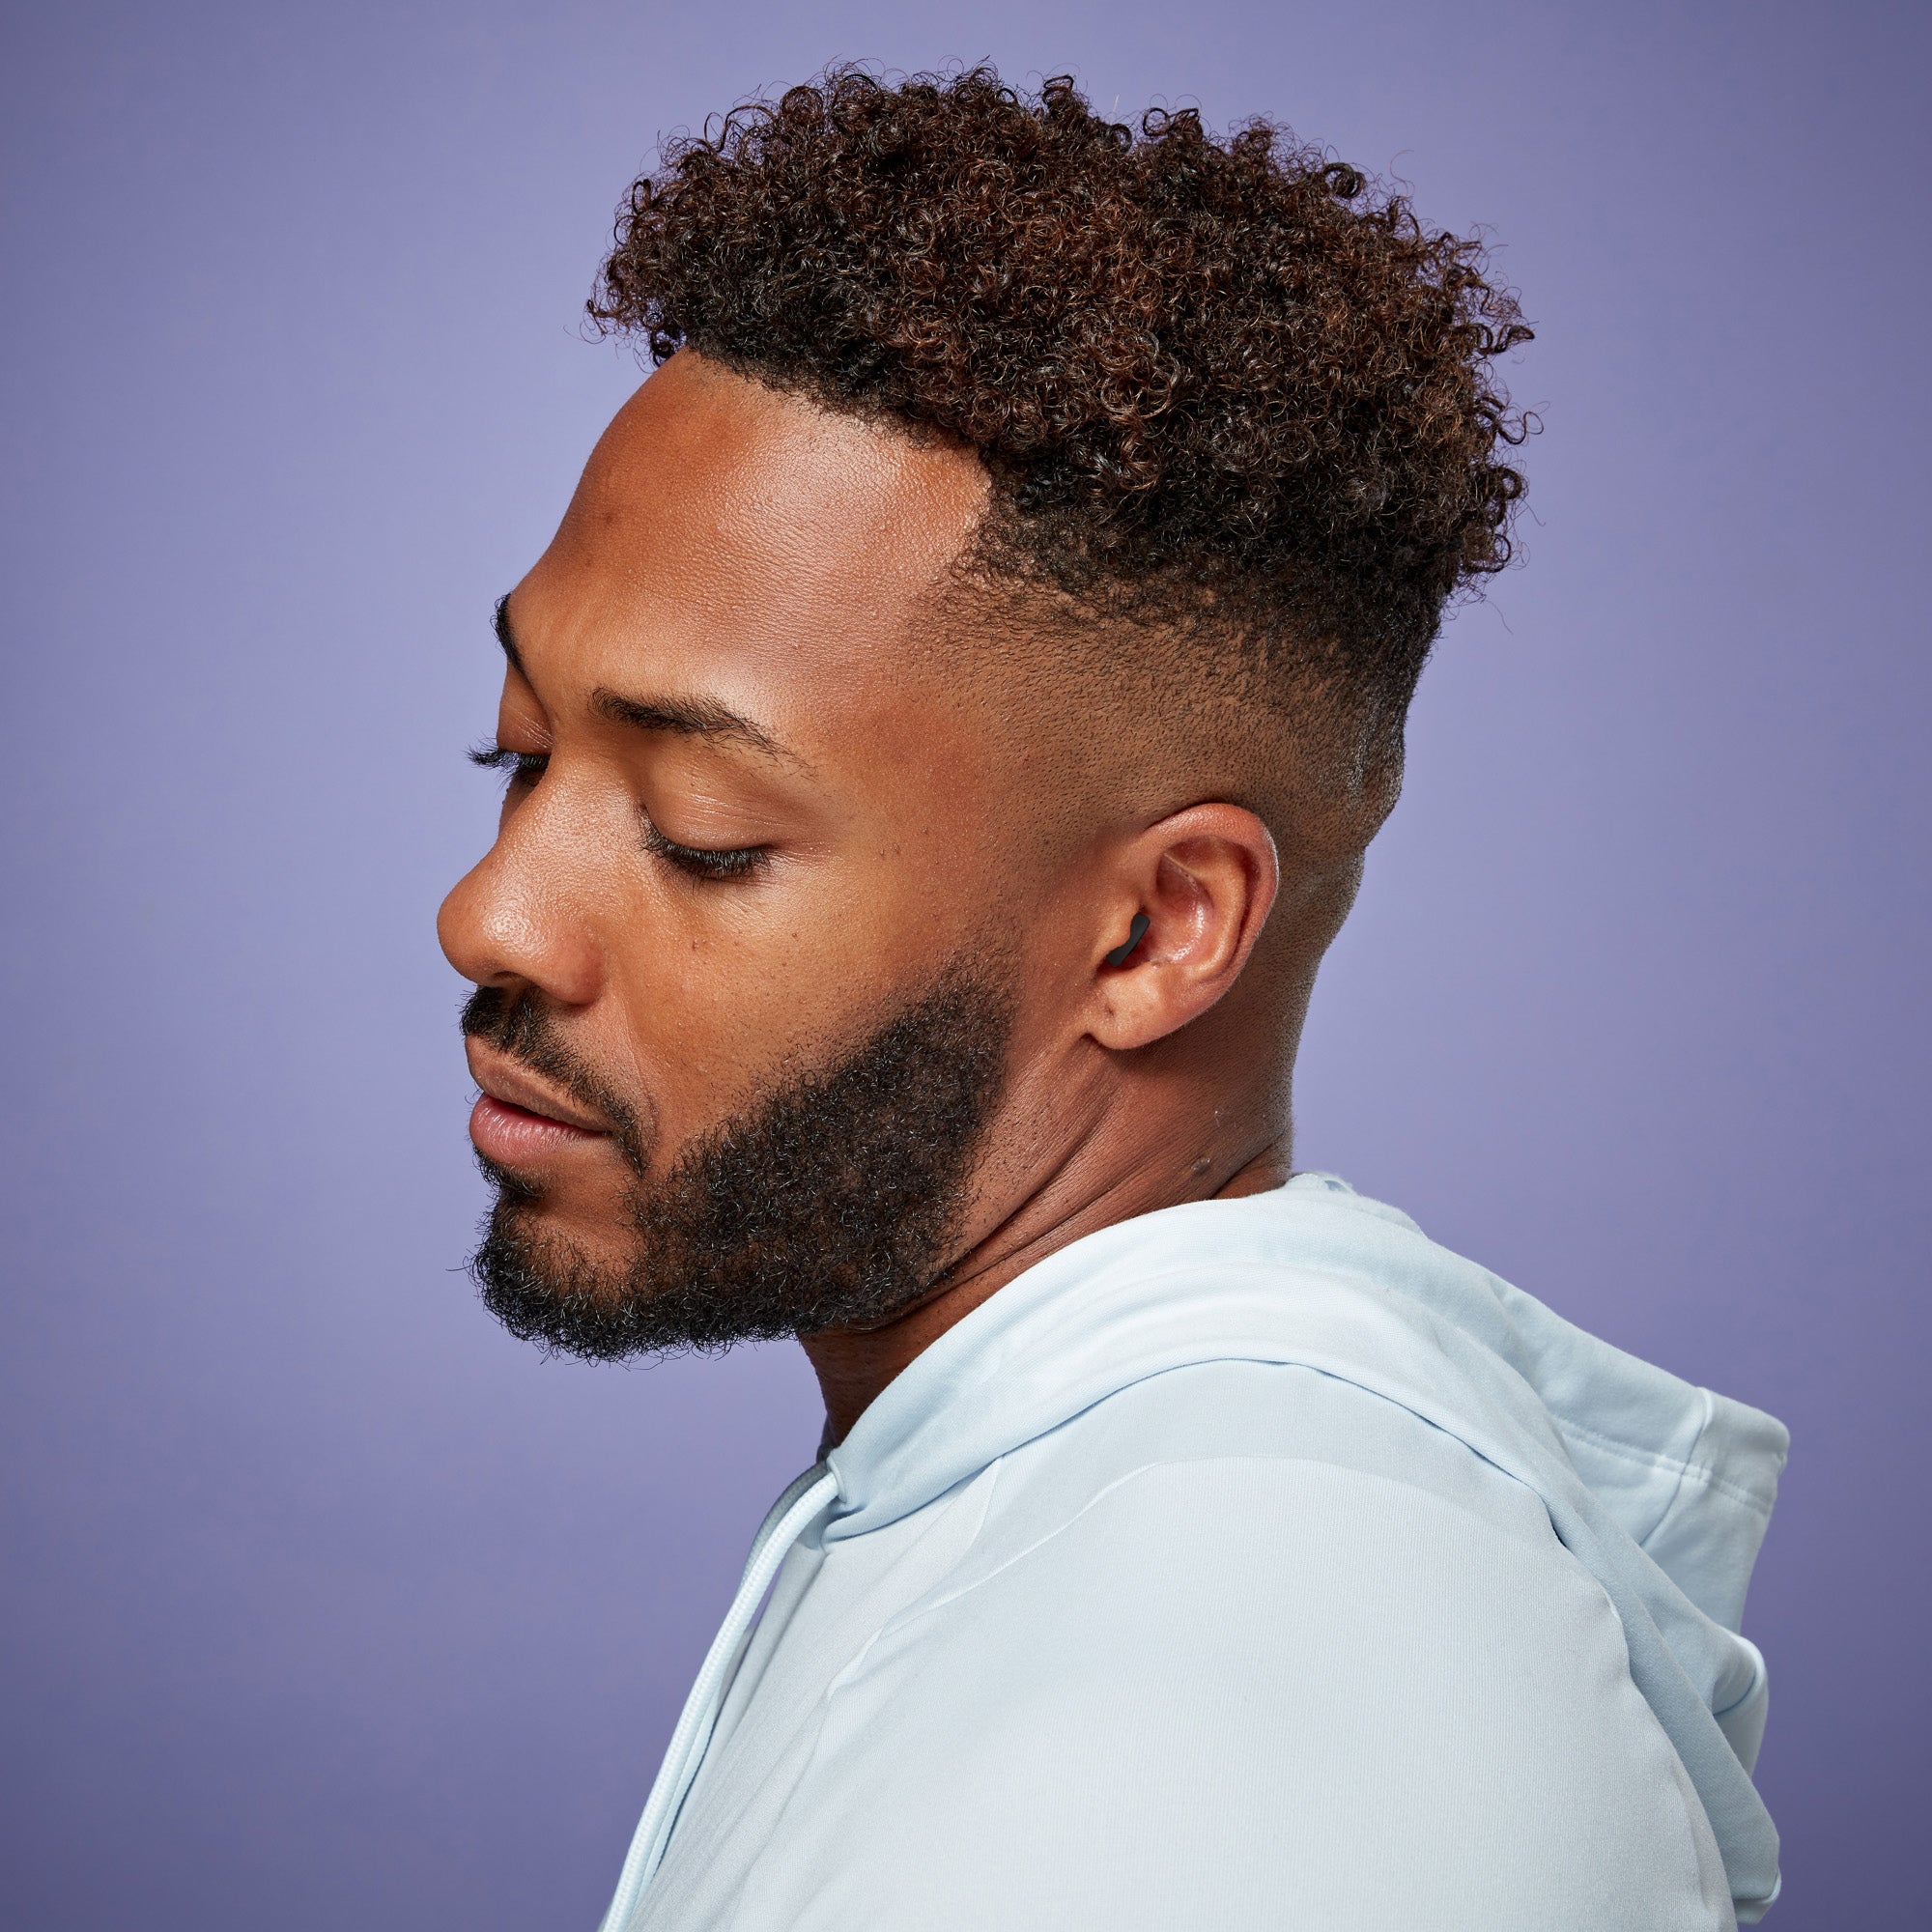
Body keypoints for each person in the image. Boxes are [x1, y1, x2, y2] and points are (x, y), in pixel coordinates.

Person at [437, 67, 1785, 1930]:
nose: (490, 915)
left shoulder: (1239, 1712)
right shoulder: (1067, 1533)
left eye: (703, 833)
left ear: (1158, 935)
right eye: (518, 752)